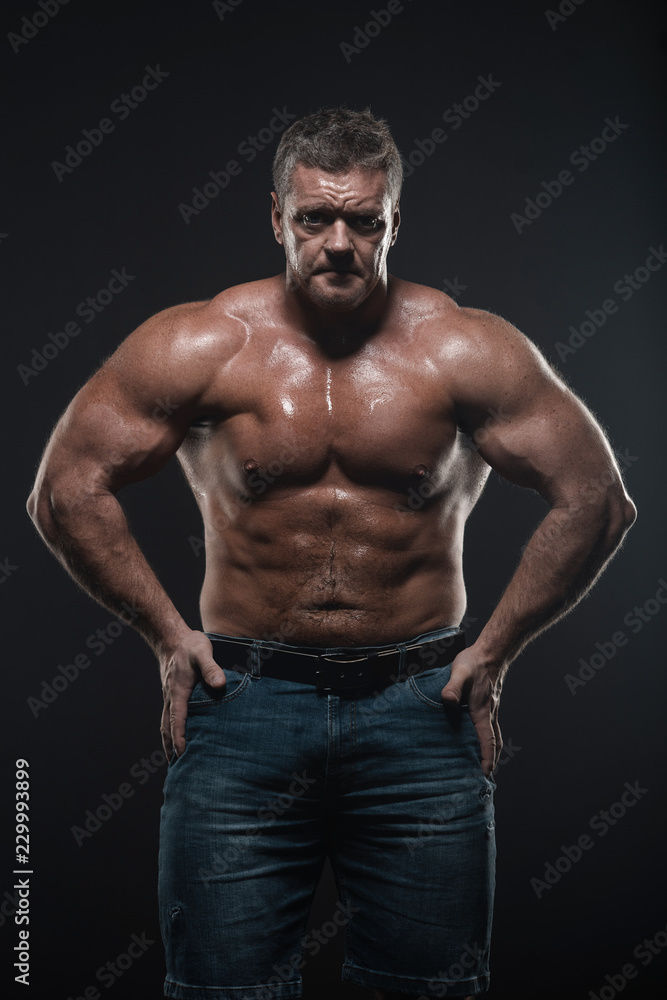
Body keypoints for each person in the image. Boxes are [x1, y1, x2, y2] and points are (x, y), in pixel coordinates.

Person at [27, 106, 636, 1000]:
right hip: (242, 708)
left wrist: (494, 652)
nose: (339, 242)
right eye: (315, 219)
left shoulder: (462, 346)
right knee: (222, 990)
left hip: (420, 713)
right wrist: (165, 636)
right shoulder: (202, 342)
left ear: (396, 222)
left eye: (364, 220)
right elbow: (64, 489)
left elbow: (597, 499)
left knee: (428, 988)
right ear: (277, 219)